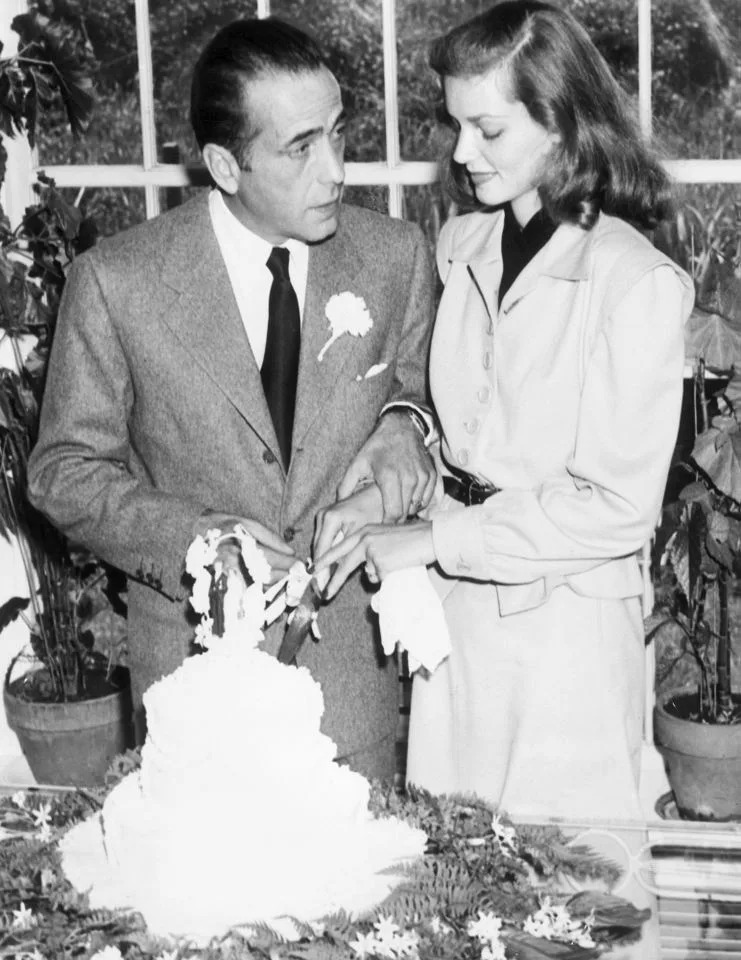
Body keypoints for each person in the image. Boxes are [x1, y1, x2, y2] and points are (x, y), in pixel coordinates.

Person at [26, 17, 436, 780]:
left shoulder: (395, 258)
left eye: (338, 135)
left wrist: (406, 423)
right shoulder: (117, 283)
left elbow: (427, 397)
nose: (336, 172)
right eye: (300, 147)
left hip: (350, 703)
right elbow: (63, 471)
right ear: (223, 164)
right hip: (193, 698)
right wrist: (198, 540)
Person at [315, 0, 695, 820]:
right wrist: (384, 491)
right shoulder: (462, 247)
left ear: (560, 125)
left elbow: (615, 511)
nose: (460, 153)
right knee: (458, 885)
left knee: (567, 900)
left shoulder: (633, 283)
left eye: (487, 130)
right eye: (454, 125)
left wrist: (429, 538)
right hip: (456, 615)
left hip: (568, 632)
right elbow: (454, 426)